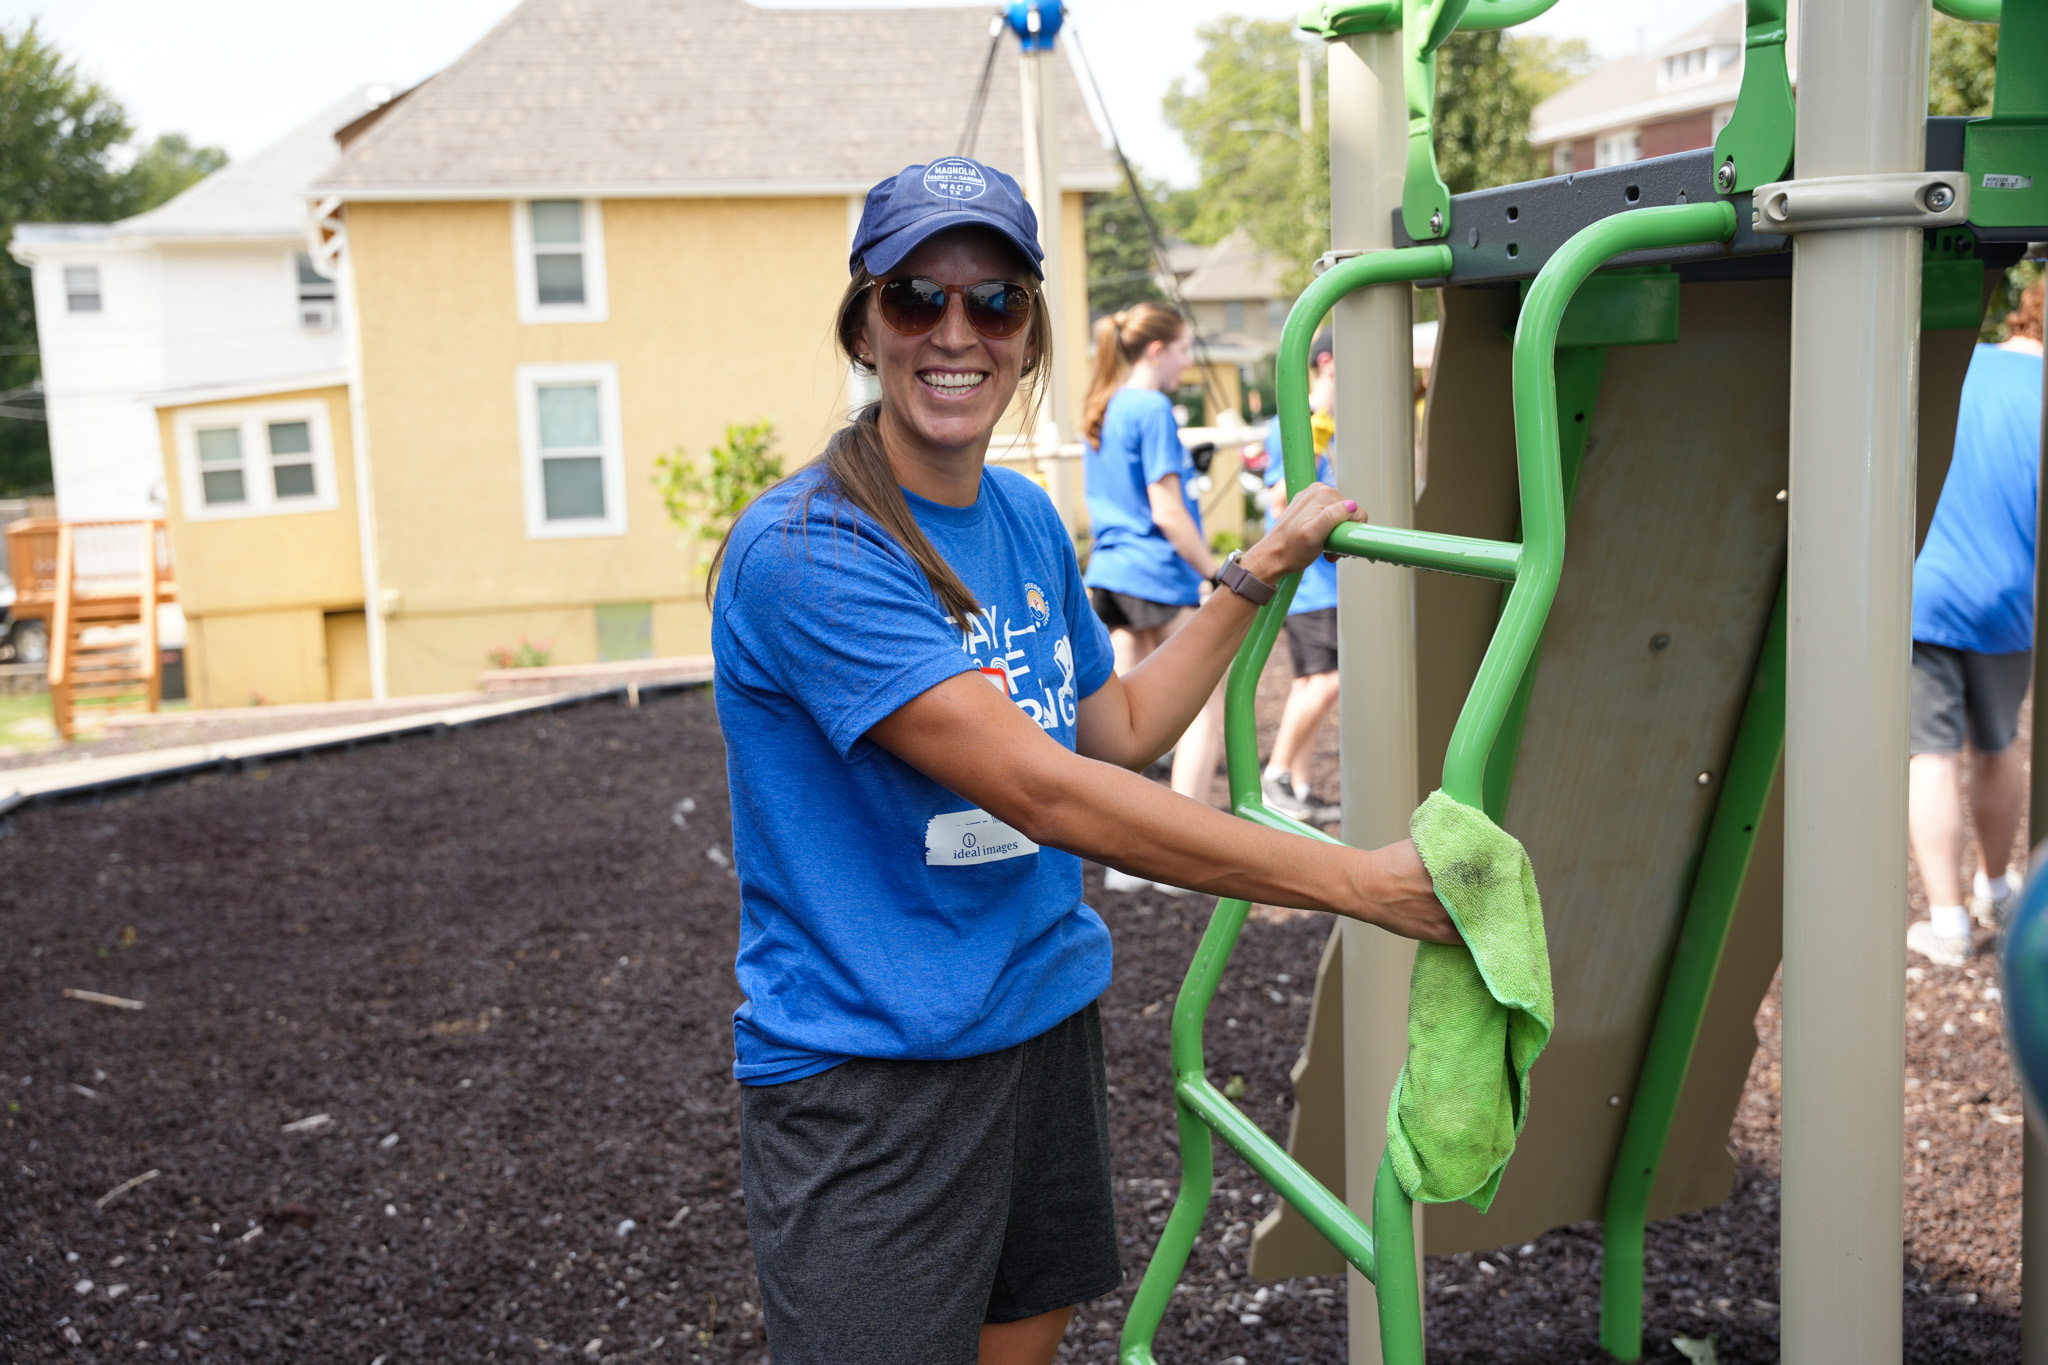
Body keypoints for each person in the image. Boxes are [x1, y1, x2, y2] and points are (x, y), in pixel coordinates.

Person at [709, 156, 1456, 1365]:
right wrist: (1354, 885)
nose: (956, 332)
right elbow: (1048, 793)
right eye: (916, 297)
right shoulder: (809, 552)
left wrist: (1256, 569)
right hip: (873, 1077)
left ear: (1030, 333)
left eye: (994, 301)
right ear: (863, 323)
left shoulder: (1014, 520)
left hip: (1038, 1023)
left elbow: (1109, 734)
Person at [1906, 276, 2044, 967]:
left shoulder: (1962, 360)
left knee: (1929, 755)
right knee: (1996, 747)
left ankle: (1949, 923)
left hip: (1923, 586)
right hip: (2007, 598)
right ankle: (1999, 889)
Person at [1079, 303, 1229, 862]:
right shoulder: (1152, 408)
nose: (1189, 363)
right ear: (1157, 350)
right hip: (1154, 573)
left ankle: (1121, 852)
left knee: (1121, 718)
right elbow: (1168, 510)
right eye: (1186, 350)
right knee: (1199, 702)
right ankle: (1177, 850)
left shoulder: (1104, 405)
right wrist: (1215, 571)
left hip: (1111, 575)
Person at [1260, 331, 1343, 824]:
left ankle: (1301, 784)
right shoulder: (1298, 423)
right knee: (1325, 680)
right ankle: (1276, 776)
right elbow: (1277, 497)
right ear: (1328, 363)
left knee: (1313, 680)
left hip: (1328, 581)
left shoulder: (1333, 423)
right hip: (1309, 581)